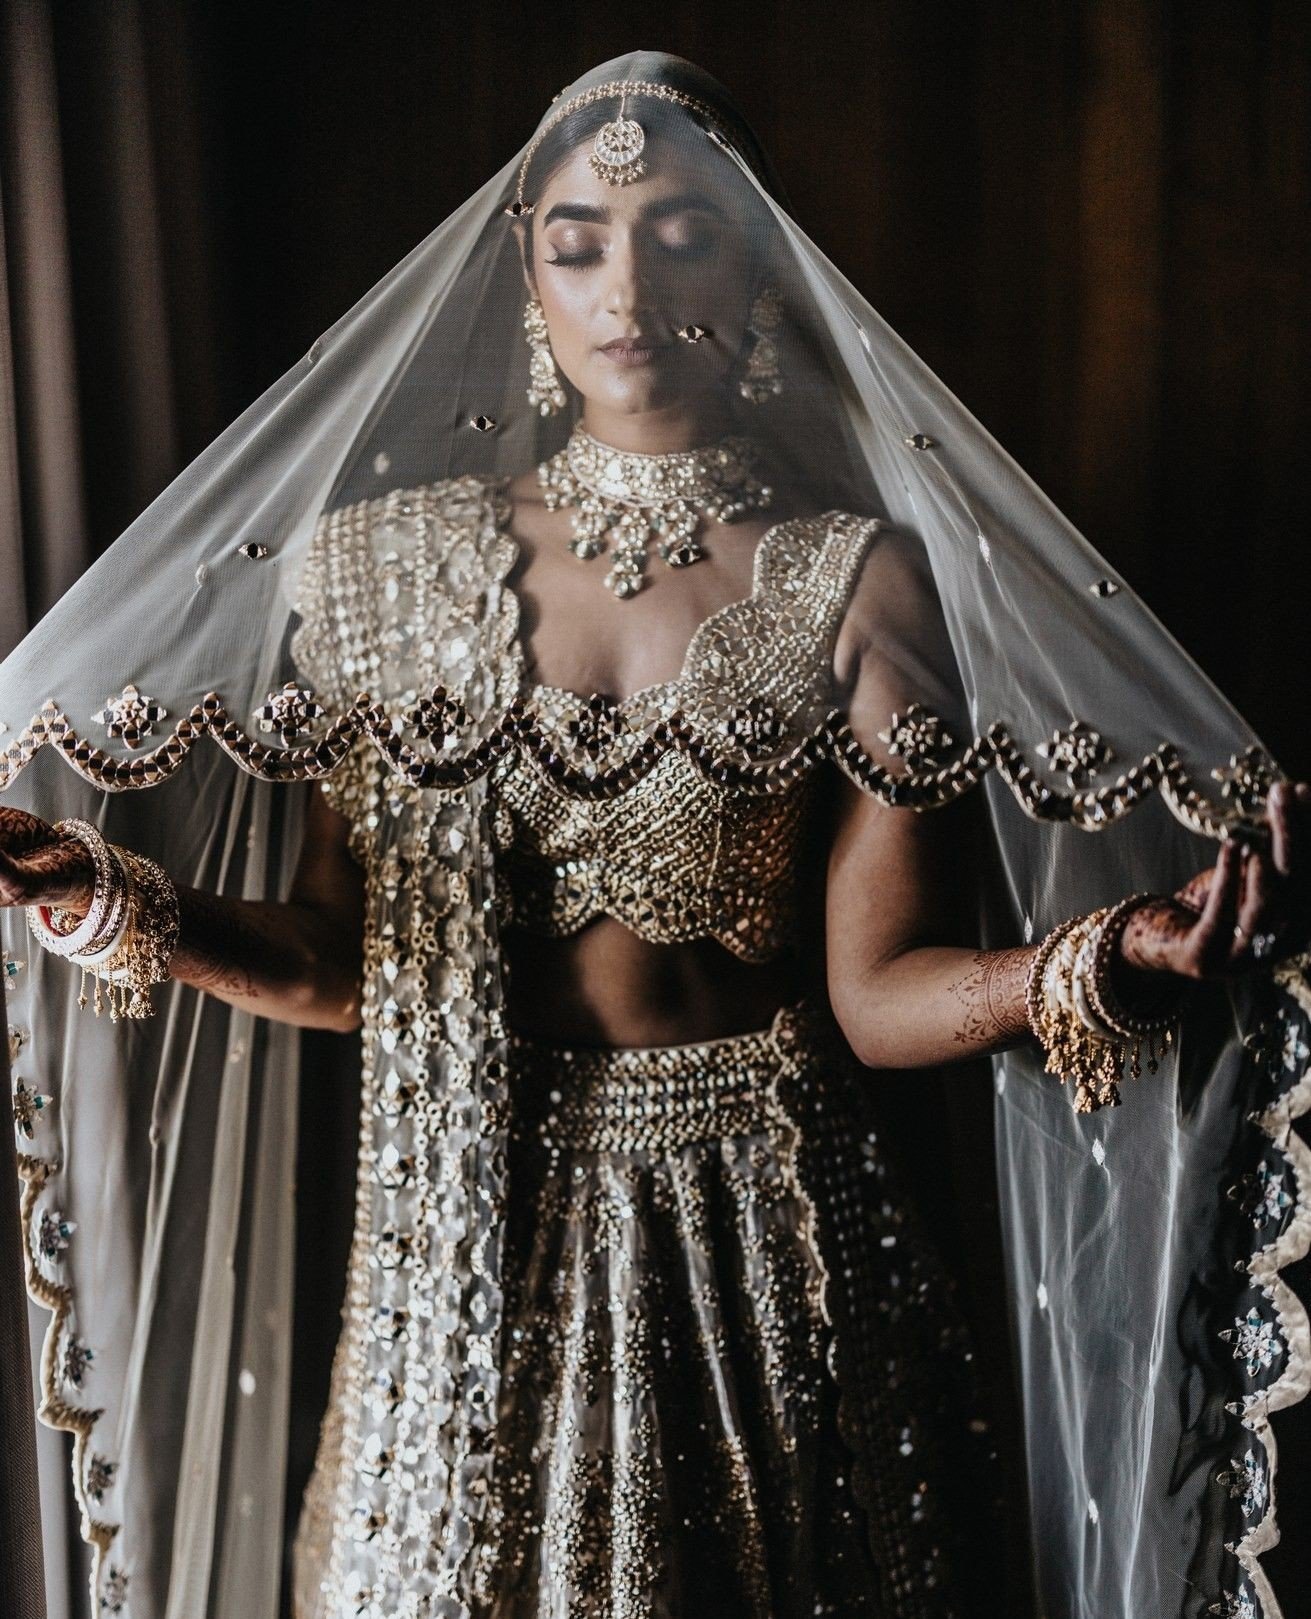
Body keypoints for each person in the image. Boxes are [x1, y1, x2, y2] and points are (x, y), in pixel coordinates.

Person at [1, 49, 1307, 1619]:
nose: (628, 281)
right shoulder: (376, 571)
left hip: (756, 1245)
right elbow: (345, 961)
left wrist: (1099, 964)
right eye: (579, 241)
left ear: (757, 264)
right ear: (528, 274)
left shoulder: (854, 582)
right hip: (449, 1257)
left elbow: (879, 991)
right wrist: (97, 900)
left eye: (684, 231)